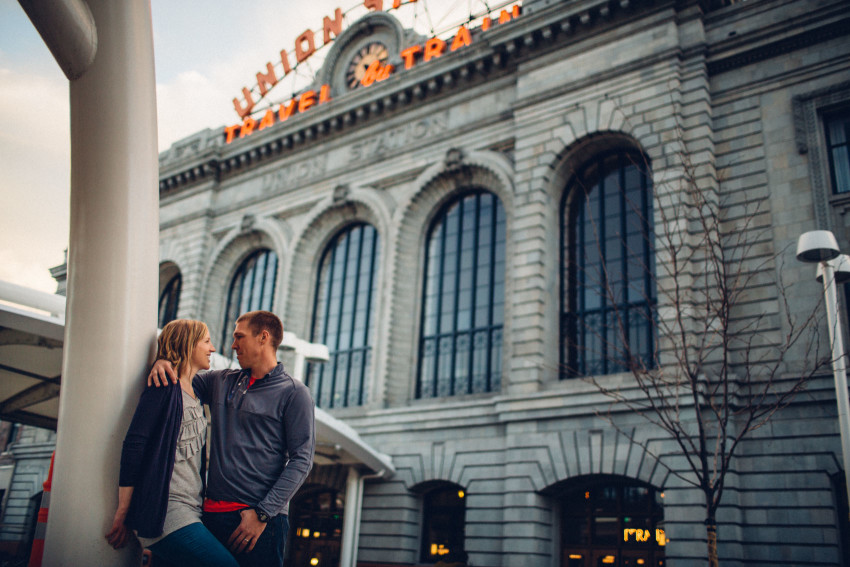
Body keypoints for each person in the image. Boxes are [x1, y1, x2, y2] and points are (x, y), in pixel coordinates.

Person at [149, 310, 315, 567]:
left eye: (239, 337)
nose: (233, 345)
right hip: (210, 518)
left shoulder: (294, 392)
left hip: (261, 523)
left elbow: (302, 460)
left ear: (263, 337)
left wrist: (262, 514)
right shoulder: (221, 381)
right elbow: (181, 378)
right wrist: (163, 362)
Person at [106, 319, 238, 567]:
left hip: (192, 510)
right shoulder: (164, 387)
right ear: (188, 344)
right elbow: (135, 445)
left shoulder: (196, 392)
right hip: (166, 512)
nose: (212, 349)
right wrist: (123, 511)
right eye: (206, 341)